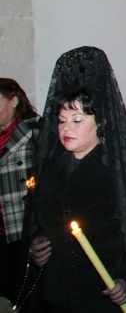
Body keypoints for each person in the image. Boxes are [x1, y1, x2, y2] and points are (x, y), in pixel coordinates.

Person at [28, 46, 126, 312]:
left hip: (101, 292)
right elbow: (40, 220)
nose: (67, 128)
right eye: (61, 120)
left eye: (78, 119)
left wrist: (125, 279)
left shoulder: (117, 172)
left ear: (101, 123)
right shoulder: (50, 168)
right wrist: (36, 243)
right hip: (57, 291)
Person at [0, 79, 40, 306]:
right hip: (0, 228)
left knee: (25, 289)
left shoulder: (35, 130)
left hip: (21, 224)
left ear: (14, 100)